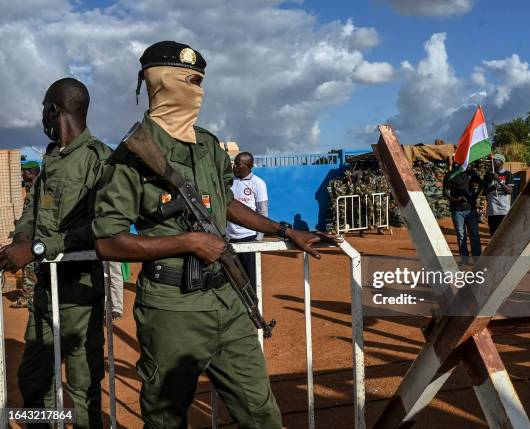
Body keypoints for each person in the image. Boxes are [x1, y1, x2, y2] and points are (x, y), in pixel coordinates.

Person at [92, 41, 329, 429]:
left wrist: (285, 230)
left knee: (261, 412)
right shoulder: (130, 156)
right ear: (162, 82)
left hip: (227, 299)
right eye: (191, 81)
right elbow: (107, 242)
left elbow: (227, 204)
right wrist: (186, 242)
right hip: (172, 308)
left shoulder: (208, 145)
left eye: (201, 82)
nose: (198, 91)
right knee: (167, 419)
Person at [0, 77, 112, 428]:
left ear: (53, 110)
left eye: (43, 111)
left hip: (80, 295)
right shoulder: (50, 159)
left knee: (82, 389)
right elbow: (32, 212)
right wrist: (21, 238)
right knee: (34, 381)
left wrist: (37, 248)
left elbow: (103, 226)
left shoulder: (101, 160)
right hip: (44, 294)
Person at [226, 151, 268, 285]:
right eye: (234, 164)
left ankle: (253, 305)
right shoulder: (229, 182)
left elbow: (262, 212)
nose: (234, 167)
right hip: (230, 239)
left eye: (237, 164)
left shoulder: (258, 183)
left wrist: (259, 238)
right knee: (233, 279)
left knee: (251, 279)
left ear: (248, 166)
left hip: (249, 239)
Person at [10, 160, 41, 308]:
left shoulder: (37, 187)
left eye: (23, 171)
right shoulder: (35, 186)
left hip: (35, 235)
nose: (22, 174)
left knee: (28, 264)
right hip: (34, 232)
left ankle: (28, 297)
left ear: (30, 172)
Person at [443, 163, 482, 259]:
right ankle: (464, 258)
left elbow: (482, 184)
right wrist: (456, 200)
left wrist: (475, 196)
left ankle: (477, 258)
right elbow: (445, 192)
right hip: (457, 210)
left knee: (474, 234)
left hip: (471, 209)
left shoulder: (471, 173)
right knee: (461, 235)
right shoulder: (450, 174)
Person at [483, 154, 515, 236]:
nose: (492, 162)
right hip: (492, 211)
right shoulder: (488, 175)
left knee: (504, 234)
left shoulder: (508, 174)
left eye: (494, 160)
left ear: (501, 162)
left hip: (503, 210)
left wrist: (499, 180)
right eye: (491, 160)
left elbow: (510, 191)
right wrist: (491, 188)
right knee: (493, 235)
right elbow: (484, 192)